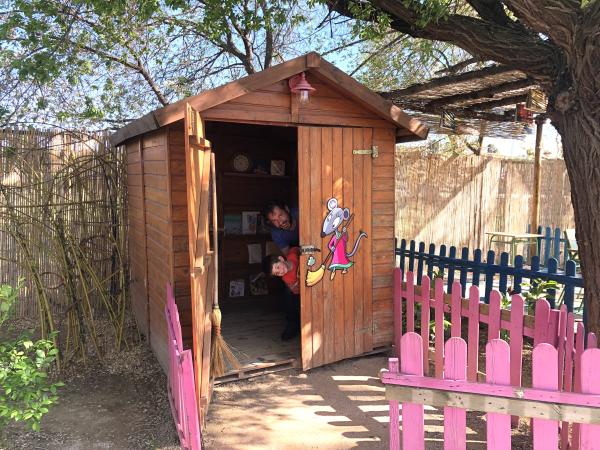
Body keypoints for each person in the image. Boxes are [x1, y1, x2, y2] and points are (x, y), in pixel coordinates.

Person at [262, 247, 301, 340]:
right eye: (277, 273)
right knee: (294, 302)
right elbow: (297, 291)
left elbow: (298, 248)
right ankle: (294, 325)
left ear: (281, 259)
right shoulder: (286, 278)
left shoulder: (293, 254)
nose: (280, 272)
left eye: (278, 267)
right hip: (302, 292)